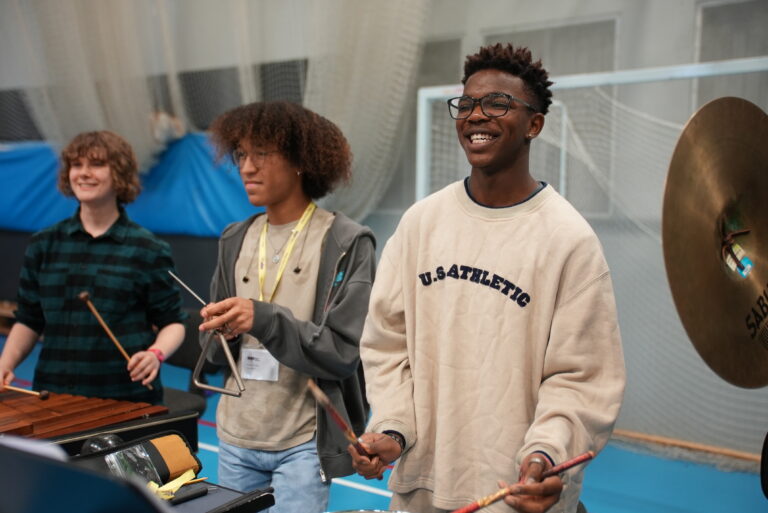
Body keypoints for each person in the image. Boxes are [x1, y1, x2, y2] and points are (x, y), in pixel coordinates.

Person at [350, 43, 626, 513]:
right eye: (468, 103)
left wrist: (547, 454)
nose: (477, 115)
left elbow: (582, 378)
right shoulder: (421, 224)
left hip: (516, 497)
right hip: (424, 488)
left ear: (534, 124)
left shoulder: (568, 240)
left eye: (498, 103)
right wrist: (394, 428)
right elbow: (387, 344)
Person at [198, 101, 376, 513]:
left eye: (261, 153)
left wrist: (261, 317)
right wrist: (216, 330)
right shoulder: (233, 238)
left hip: (302, 443)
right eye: (241, 154)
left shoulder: (346, 241)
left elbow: (342, 352)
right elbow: (211, 355)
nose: (246, 167)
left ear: (301, 160)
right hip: (235, 434)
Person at [0, 131, 186, 404]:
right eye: (77, 165)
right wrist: (5, 363)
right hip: (53, 394)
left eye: (97, 164)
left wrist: (155, 354)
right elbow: (29, 318)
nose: (83, 173)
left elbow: (173, 323)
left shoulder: (148, 248)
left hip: (123, 397)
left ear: (119, 174)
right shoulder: (44, 243)